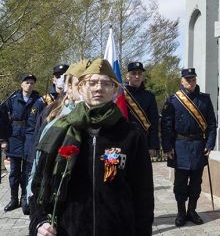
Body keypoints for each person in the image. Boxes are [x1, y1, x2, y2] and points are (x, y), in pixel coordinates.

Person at [32, 59, 154, 236]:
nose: (98, 88)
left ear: (115, 90)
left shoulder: (130, 135)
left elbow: (143, 195)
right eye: (92, 83)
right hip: (70, 229)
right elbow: (39, 183)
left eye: (106, 83)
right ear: (80, 88)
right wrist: (40, 220)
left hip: (117, 229)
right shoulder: (61, 130)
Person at [26, 60, 87, 230]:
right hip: (59, 207)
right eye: (79, 84)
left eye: (89, 83)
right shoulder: (53, 117)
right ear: (69, 88)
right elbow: (38, 162)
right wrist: (36, 211)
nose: (86, 89)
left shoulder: (110, 125)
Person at [161, 68, 217, 227]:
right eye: (187, 79)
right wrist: (167, 146)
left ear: (196, 80)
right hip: (179, 146)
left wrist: (210, 143)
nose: (190, 82)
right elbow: (165, 125)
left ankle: (192, 211)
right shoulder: (173, 100)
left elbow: (212, 124)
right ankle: (181, 212)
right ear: (182, 81)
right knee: (180, 182)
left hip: (199, 146)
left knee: (196, 181)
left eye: (192, 79)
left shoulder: (205, 100)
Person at [0, 73, 40, 213]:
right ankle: (13, 199)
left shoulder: (38, 99)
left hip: (30, 137)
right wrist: (3, 139)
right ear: (21, 84)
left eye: (31, 82)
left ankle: (25, 198)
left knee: (27, 171)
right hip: (14, 137)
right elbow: (2, 119)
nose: (29, 85)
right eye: (26, 82)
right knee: (14, 172)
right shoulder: (12, 99)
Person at [123, 62, 160, 158]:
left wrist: (152, 145)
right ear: (127, 76)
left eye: (139, 74)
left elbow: (154, 123)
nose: (137, 76)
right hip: (124, 140)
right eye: (134, 73)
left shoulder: (149, 96)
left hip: (143, 141)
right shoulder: (121, 95)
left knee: (143, 172)